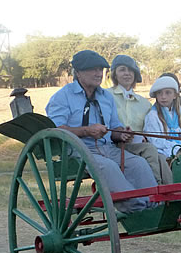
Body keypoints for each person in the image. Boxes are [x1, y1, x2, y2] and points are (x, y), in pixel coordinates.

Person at [46, 50, 157, 213]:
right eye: (93, 69)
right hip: (78, 151)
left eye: (101, 69)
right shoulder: (62, 97)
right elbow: (56, 130)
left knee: (138, 164)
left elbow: (114, 127)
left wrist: (122, 133)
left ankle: (154, 206)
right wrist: (86, 131)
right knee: (108, 167)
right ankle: (136, 210)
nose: (99, 73)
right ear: (78, 73)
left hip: (108, 149)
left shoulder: (106, 97)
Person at [107, 55, 172, 185]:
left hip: (139, 145)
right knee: (150, 151)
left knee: (162, 159)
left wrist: (145, 137)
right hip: (114, 144)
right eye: (122, 69)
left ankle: (170, 193)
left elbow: (150, 127)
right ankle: (155, 187)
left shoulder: (144, 103)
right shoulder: (106, 96)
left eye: (130, 70)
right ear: (115, 74)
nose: (127, 73)